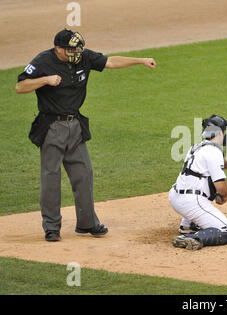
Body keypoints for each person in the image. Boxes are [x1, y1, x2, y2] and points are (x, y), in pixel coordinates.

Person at [15, 29, 157, 242]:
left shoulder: (84, 57)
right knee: (51, 178)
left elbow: (110, 62)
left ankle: (87, 223)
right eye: (71, 49)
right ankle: (52, 227)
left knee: (84, 174)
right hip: (52, 126)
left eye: (78, 48)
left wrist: (140, 60)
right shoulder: (43, 61)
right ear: (58, 49)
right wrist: (44, 80)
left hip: (76, 126)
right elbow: (20, 86)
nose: (76, 52)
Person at [169, 114, 227, 250]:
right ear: (220, 132)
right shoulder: (214, 151)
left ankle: (188, 225)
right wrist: (223, 196)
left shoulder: (196, 147)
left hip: (176, 197)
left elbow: (208, 167)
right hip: (191, 202)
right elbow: (221, 187)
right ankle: (190, 238)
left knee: (201, 183)